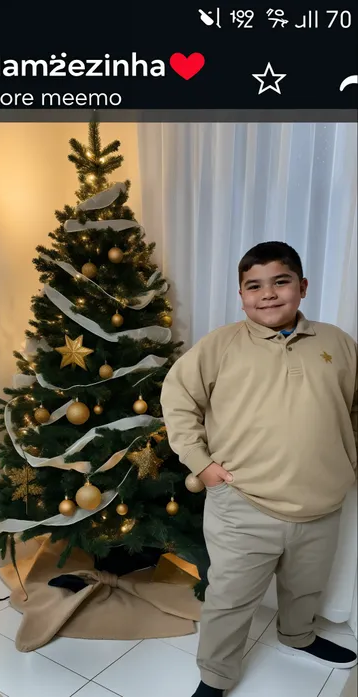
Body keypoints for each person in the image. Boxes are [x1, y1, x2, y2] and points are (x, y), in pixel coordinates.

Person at [160, 241, 358, 697]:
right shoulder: (221, 345)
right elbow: (178, 398)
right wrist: (201, 463)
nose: (267, 294)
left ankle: (299, 635)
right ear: (242, 294)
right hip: (243, 503)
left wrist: (349, 461)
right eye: (254, 286)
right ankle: (215, 676)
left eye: (280, 281)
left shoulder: (337, 344)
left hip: (321, 501)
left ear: (303, 287)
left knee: (306, 586)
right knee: (229, 600)